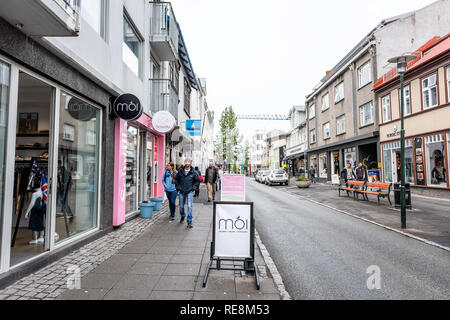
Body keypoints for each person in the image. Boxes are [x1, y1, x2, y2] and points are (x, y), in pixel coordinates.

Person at [175, 159, 199, 228]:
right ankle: (182, 215)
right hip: (181, 191)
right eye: (186, 162)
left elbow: (196, 181)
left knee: (189, 206)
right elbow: (176, 180)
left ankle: (189, 221)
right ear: (184, 163)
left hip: (189, 191)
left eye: (188, 162)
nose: (187, 163)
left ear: (190, 163)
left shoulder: (193, 172)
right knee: (181, 206)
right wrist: (178, 188)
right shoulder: (180, 172)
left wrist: (193, 189)